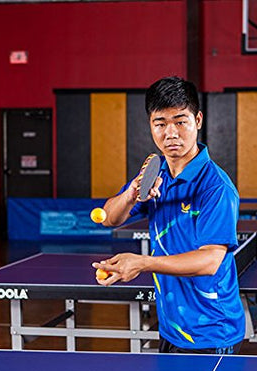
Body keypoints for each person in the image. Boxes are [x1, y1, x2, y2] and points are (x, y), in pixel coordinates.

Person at [92, 76, 245, 354]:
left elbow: (210, 260)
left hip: (210, 329)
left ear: (198, 120)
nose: (170, 133)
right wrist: (131, 194)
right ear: (150, 125)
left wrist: (142, 263)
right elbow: (110, 218)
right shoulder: (156, 174)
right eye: (160, 124)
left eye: (180, 122)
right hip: (172, 324)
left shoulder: (216, 187)